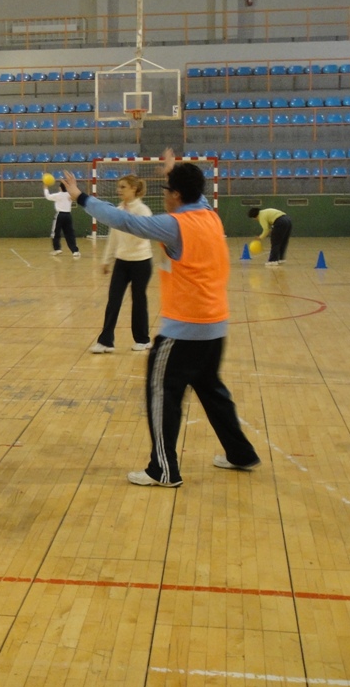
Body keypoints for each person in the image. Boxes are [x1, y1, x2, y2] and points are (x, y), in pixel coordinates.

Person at [61, 152, 260, 488]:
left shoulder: (174, 225)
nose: (163, 194)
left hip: (182, 332)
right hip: (215, 327)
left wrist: (80, 196)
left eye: (167, 189)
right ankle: (240, 453)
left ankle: (163, 470)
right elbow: (188, 194)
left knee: (161, 395)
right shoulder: (211, 216)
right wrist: (175, 171)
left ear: (176, 196)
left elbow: (123, 221)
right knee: (212, 391)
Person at [90, 175, 153, 354]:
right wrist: (106, 260)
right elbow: (114, 238)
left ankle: (143, 340)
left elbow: (143, 236)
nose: (119, 190)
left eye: (123, 187)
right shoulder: (117, 210)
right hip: (122, 262)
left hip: (141, 262)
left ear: (134, 188)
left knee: (139, 300)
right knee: (113, 300)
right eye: (119, 187)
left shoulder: (143, 211)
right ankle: (106, 341)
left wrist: (127, 219)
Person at [44, 180, 80, 257]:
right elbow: (75, 197)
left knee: (55, 232)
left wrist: (45, 188)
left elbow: (47, 196)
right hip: (68, 216)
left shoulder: (58, 195)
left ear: (60, 188)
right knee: (70, 233)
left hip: (60, 215)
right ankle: (75, 251)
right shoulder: (69, 195)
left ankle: (57, 249)